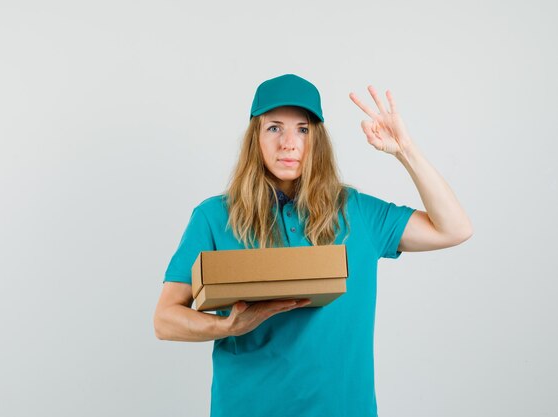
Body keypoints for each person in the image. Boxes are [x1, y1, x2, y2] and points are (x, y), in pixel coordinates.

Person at [154, 73, 473, 417]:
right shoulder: (215, 216)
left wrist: (405, 151)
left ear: (317, 140)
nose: (289, 143)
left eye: (302, 130)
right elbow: (165, 319)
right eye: (274, 128)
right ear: (255, 138)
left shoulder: (356, 212)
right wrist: (229, 327)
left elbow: (453, 229)